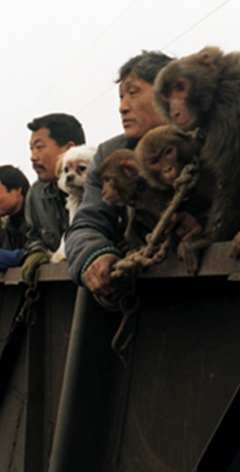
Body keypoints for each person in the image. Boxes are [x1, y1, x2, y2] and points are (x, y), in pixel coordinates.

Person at [65, 50, 173, 296]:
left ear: (168, 94)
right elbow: (86, 223)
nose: (122, 108)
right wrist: (93, 254)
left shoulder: (208, 142)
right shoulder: (109, 156)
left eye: (133, 93)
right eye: (121, 97)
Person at [20, 113, 86, 284]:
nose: (33, 157)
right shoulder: (37, 193)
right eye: (31, 149)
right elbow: (33, 235)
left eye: (39, 147)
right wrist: (37, 251)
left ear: (69, 149)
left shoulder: (98, 185)